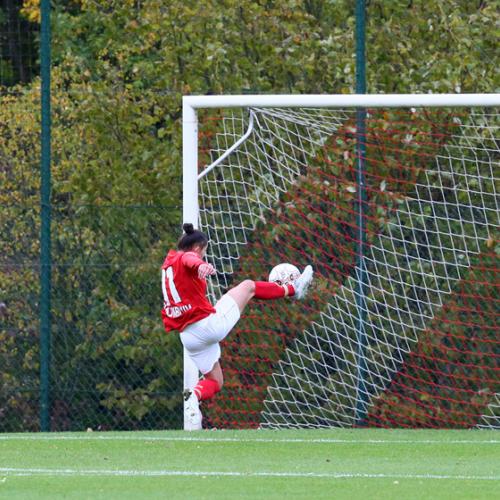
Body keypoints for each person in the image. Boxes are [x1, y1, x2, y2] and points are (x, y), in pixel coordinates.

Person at [161, 223, 314, 430]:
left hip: (188, 336)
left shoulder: (168, 263)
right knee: (248, 286)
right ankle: (292, 288)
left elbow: (186, 260)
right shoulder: (187, 257)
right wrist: (200, 265)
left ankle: (193, 398)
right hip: (207, 326)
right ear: (198, 248)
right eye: (204, 252)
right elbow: (190, 258)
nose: (203, 257)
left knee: (215, 381)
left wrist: (197, 265)